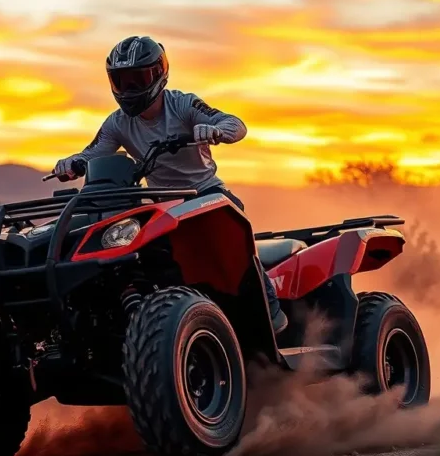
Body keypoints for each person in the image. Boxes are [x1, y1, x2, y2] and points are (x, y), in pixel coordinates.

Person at [53, 35, 289, 335]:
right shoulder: (117, 123)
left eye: (138, 79)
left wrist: (214, 130)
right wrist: (70, 164)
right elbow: (92, 153)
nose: (130, 89)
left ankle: (271, 309)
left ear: (159, 74)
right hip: (161, 202)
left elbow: (236, 125)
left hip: (204, 193)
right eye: (122, 81)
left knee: (235, 238)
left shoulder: (182, 105)